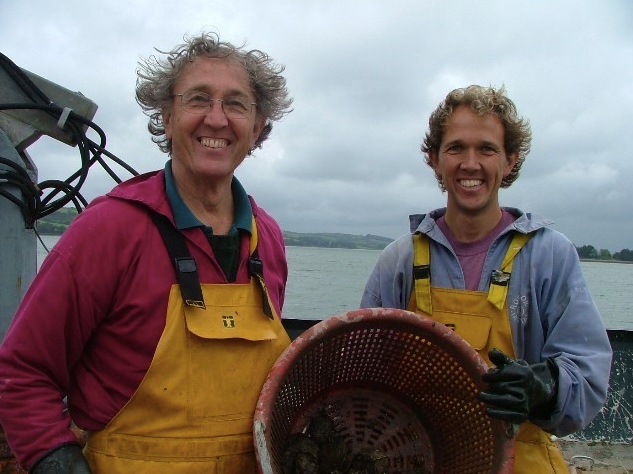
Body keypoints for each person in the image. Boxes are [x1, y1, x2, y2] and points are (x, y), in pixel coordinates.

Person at [0, 31, 293, 473]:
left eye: (236, 104)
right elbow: (22, 372)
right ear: (168, 117)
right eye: (198, 100)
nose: (217, 119)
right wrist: (54, 460)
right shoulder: (109, 230)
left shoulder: (266, 236)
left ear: (256, 127)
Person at [360, 85, 612, 473]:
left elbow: (589, 378)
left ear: (510, 160)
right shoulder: (399, 260)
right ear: (434, 160)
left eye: (487, 149)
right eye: (456, 148)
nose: (471, 163)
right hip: (419, 458)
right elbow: (365, 375)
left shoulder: (549, 256)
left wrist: (543, 388)